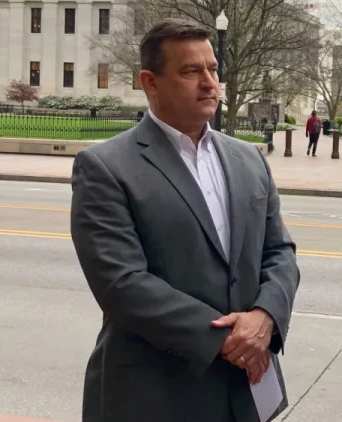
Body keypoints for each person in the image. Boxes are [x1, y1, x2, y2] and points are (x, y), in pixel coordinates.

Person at [69, 19, 300, 422]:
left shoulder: (248, 159)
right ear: (150, 81)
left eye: (212, 69)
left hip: (244, 391)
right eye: (191, 71)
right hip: (155, 394)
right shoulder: (106, 167)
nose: (210, 83)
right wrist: (232, 339)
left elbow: (279, 252)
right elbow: (121, 283)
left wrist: (265, 317)